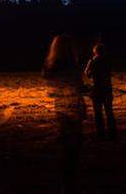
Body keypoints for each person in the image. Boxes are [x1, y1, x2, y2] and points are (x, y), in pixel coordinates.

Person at [43, 34, 85, 194]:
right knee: (74, 148)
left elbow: (50, 89)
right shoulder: (72, 66)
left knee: (66, 147)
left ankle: (65, 182)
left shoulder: (51, 66)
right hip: (74, 107)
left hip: (60, 109)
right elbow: (78, 86)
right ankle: (71, 182)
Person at [84, 43, 117, 140]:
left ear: (95, 51)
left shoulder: (93, 61)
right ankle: (112, 132)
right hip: (107, 88)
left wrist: (88, 67)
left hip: (97, 89)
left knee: (98, 112)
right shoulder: (108, 61)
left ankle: (100, 133)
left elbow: (88, 74)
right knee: (109, 111)